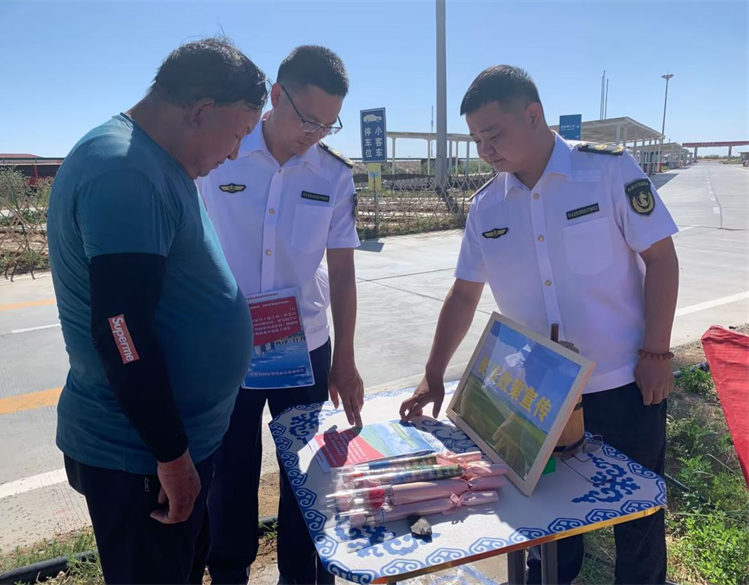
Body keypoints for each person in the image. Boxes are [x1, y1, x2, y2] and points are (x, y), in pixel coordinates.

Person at [399, 65, 679, 585]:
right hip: (538, 398)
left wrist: (657, 353)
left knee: (638, 523)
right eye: (476, 139)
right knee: (546, 526)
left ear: (533, 115)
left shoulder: (607, 172)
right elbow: (464, 294)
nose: (484, 149)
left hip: (624, 383)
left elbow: (661, 259)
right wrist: (433, 373)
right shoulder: (487, 207)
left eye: (493, 134)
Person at [47, 38, 267, 585]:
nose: (235, 152)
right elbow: (120, 329)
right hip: (142, 457)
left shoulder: (158, 163)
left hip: (169, 448)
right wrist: (170, 456)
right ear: (201, 110)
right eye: (238, 133)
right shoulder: (125, 171)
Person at [192, 45, 364, 585]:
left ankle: (302, 574)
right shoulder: (220, 155)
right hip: (228, 346)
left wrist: (345, 359)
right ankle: (229, 573)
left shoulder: (333, 174)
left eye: (328, 124)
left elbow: (342, 271)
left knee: (306, 474)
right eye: (307, 118)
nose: (315, 133)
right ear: (275, 96)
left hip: (306, 347)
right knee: (230, 471)